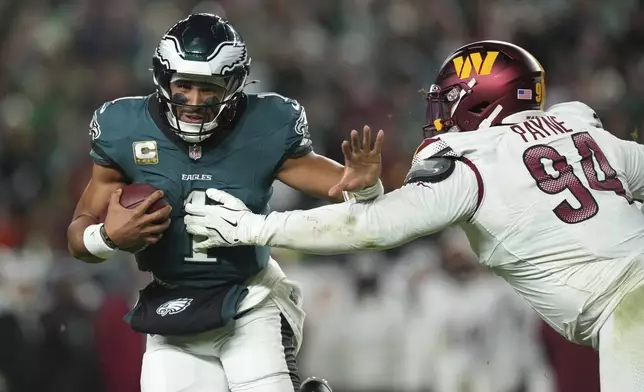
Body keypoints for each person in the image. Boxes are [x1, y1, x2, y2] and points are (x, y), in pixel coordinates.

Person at [184, 40, 644, 391]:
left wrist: (254, 227)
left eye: (450, 100)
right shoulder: (582, 130)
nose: (442, 114)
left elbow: (369, 226)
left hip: (627, 309)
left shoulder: (472, 163)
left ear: (481, 101)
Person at [66, 13, 381, 392]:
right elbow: (77, 235)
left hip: (250, 303)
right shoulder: (124, 129)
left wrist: (363, 184)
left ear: (233, 84)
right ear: (164, 79)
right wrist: (108, 237)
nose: (195, 101)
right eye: (184, 86)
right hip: (172, 312)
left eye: (209, 88)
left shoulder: (266, 124)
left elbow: (345, 188)